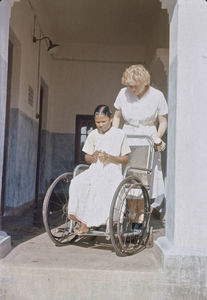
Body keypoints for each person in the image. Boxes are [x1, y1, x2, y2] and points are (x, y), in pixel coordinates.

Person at [112, 64, 168, 219]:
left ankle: (140, 216)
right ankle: (130, 213)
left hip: (147, 138)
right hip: (127, 136)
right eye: (129, 85)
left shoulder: (157, 96)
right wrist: (114, 135)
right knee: (127, 176)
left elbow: (163, 122)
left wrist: (158, 137)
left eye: (135, 86)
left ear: (145, 82)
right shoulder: (123, 93)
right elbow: (117, 117)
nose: (132, 89)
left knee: (144, 178)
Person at [68, 104, 131, 234]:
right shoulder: (93, 135)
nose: (100, 125)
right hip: (95, 169)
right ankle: (81, 221)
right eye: (97, 122)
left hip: (112, 171)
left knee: (99, 185)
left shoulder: (120, 134)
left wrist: (110, 157)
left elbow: (125, 158)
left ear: (111, 119)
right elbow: (87, 157)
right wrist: (93, 157)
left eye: (103, 121)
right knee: (77, 182)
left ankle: (94, 223)